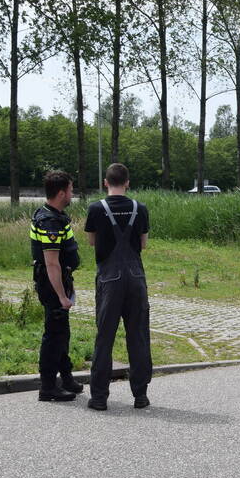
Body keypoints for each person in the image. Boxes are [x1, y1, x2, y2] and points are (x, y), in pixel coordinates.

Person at [84, 163, 152, 410]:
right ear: (127, 182)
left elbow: (92, 242)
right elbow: (143, 245)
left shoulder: (95, 209)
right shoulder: (140, 208)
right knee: (138, 337)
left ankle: (99, 398)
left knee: (105, 338)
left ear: (105, 182)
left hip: (109, 279)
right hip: (136, 278)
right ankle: (140, 396)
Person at [31, 170, 83, 402]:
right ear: (62, 193)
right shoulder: (50, 221)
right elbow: (52, 263)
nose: (72, 193)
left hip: (60, 281)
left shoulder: (54, 215)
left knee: (62, 332)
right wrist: (62, 296)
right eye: (71, 189)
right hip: (53, 284)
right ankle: (48, 386)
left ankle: (67, 378)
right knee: (54, 335)